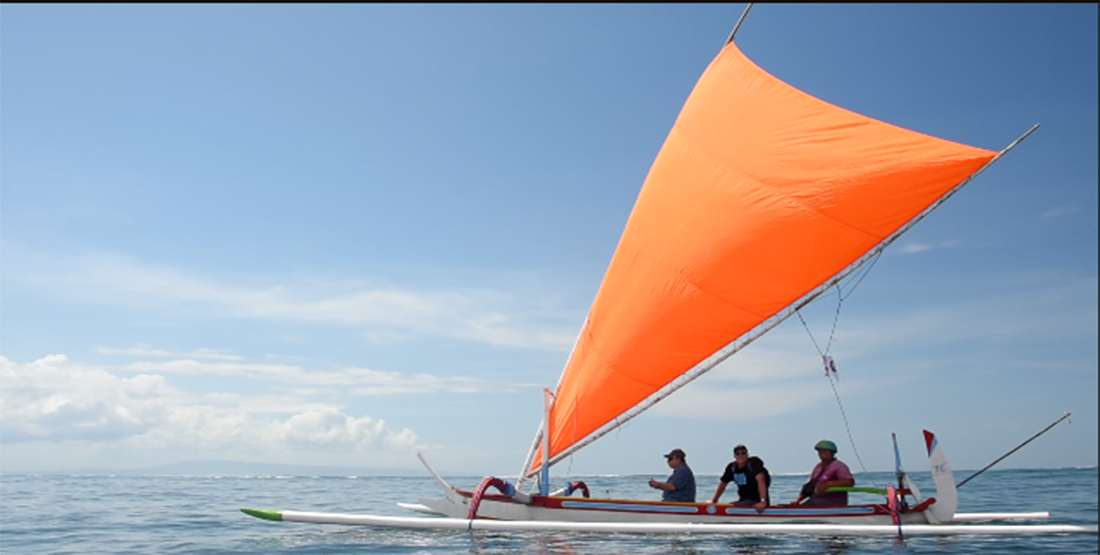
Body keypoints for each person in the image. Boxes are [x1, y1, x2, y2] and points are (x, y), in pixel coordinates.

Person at [791, 439, 855, 506]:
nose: (822, 452)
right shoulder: (818, 467)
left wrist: (828, 484)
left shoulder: (839, 466)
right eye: (820, 451)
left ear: (832, 453)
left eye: (826, 450)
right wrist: (798, 500)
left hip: (833, 503)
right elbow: (810, 486)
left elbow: (849, 482)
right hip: (816, 501)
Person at [710, 444, 770, 512]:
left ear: (747, 454)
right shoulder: (732, 467)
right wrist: (714, 501)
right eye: (737, 454)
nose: (740, 455)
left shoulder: (753, 464)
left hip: (756, 501)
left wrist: (763, 501)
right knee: (730, 506)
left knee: (731, 507)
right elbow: (723, 483)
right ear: (734, 456)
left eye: (743, 453)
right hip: (743, 500)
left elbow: (761, 481)